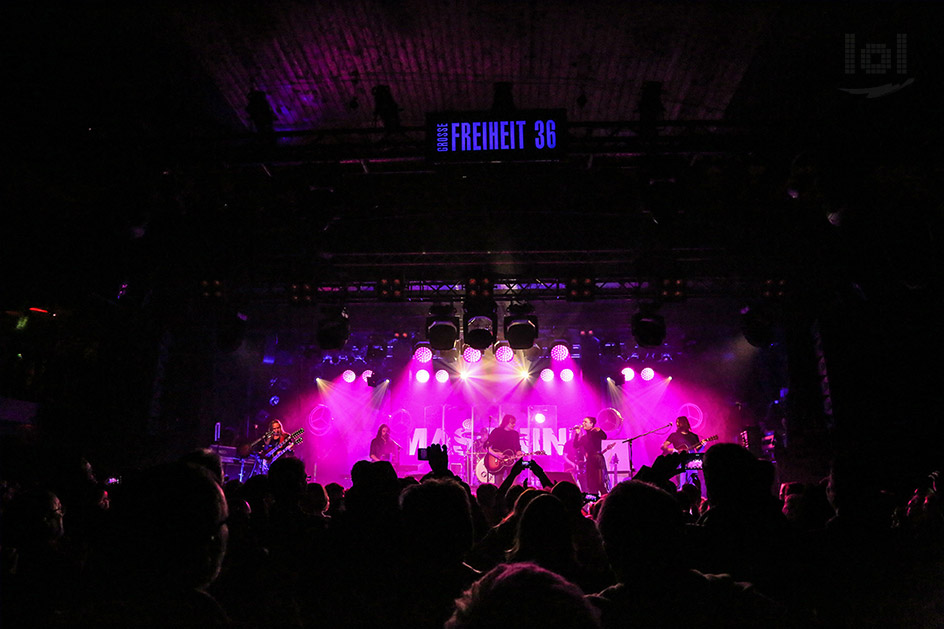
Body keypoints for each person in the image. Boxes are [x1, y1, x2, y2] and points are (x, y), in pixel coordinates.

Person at [484, 414, 523, 485]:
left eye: (514, 423)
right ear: (506, 422)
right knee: (498, 483)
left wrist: (519, 453)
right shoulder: (497, 432)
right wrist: (495, 454)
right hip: (498, 461)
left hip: (511, 460)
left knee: (514, 481)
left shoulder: (515, 434)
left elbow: (518, 447)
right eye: (512, 423)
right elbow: (486, 446)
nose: (513, 425)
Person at [574, 416, 607, 495]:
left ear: (591, 424)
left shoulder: (595, 433)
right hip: (590, 461)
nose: (583, 423)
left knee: (600, 483)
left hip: (597, 459)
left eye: (585, 422)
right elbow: (575, 445)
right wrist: (577, 434)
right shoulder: (584, 437)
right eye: (583, 422)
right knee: (591, 484)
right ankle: (594, 503)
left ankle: (605, 500)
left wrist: (600, 430)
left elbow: (604, 437)